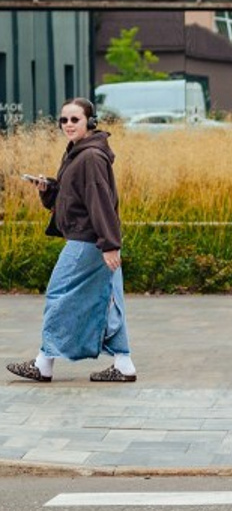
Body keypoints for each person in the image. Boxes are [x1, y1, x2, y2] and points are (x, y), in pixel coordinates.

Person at [6, 97, 138, 384]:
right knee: (108, 299)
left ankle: (44, 363)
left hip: (88, 241)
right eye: (63, 120)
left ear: (90, 122)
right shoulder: (77, 153)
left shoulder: (89, 157)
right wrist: (48, 189)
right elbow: (73, 199)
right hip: (93, 240)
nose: (67, 125)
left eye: (74, 119)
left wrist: (110, 243)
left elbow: (100, 201)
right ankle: (123, 362)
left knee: (59, 295)